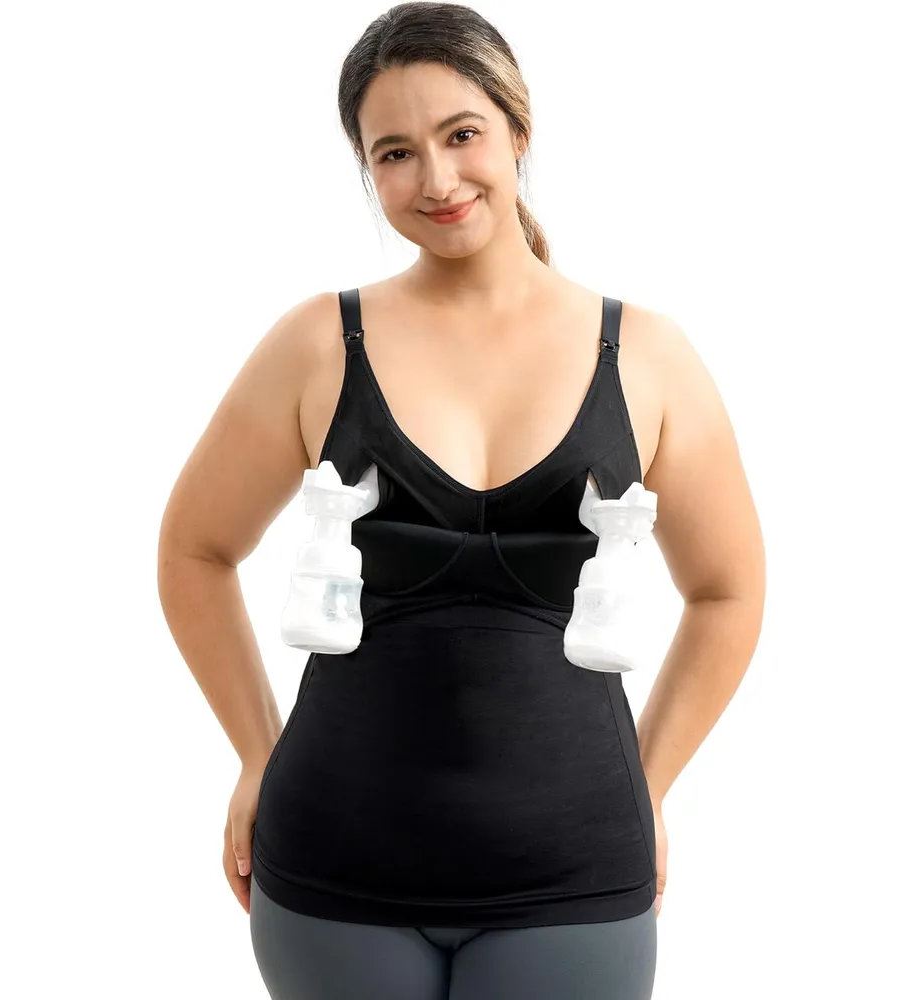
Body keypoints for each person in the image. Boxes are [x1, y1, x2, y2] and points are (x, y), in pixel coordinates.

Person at [156, 4, 766, 998]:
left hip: (575, 875)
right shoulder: (319, 344)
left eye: (461, 134)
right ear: (367, 170)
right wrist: (255, 752)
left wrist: (648, 786)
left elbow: (728, 591)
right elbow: (195, 548)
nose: (436, 180)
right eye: (395, 153)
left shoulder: (648, 356)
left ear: (518, 129)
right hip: (331, 866)